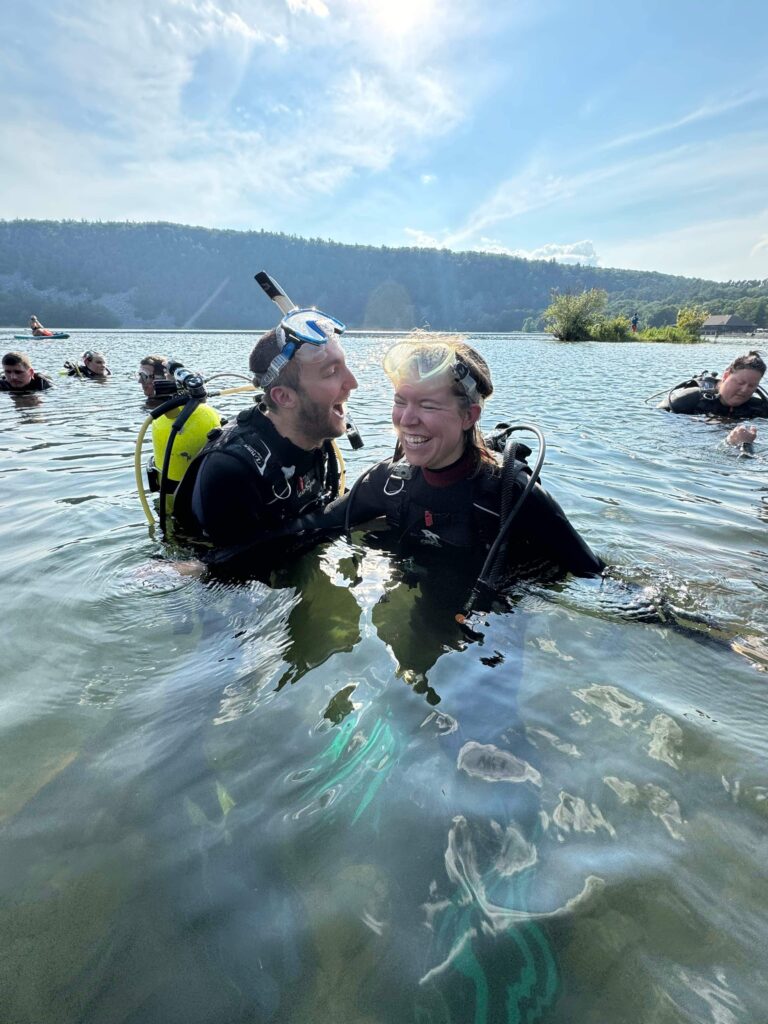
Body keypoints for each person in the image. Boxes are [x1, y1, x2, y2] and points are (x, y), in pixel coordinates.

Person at [308, 336, 604, 583]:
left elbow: (598, 578)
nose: (407, 419)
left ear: (468, 416)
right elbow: (316, 526)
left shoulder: (510, 494)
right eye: (400, 401)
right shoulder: (388, 483)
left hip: (493, 626)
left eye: (428, 405)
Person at [172, 305, 358, 570]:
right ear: (284, 397)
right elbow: (225, 572)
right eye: (331, 372)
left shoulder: (316, 435)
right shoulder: (230, 471)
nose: (352, 382)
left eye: (345, 366)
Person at [658, 350, 767, 446]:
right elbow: (658, 419)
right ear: (726, 376)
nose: (744, 390)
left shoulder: (759, 408)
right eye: (740, 383)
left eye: (752, 386)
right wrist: (699, 423)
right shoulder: (690, 398)